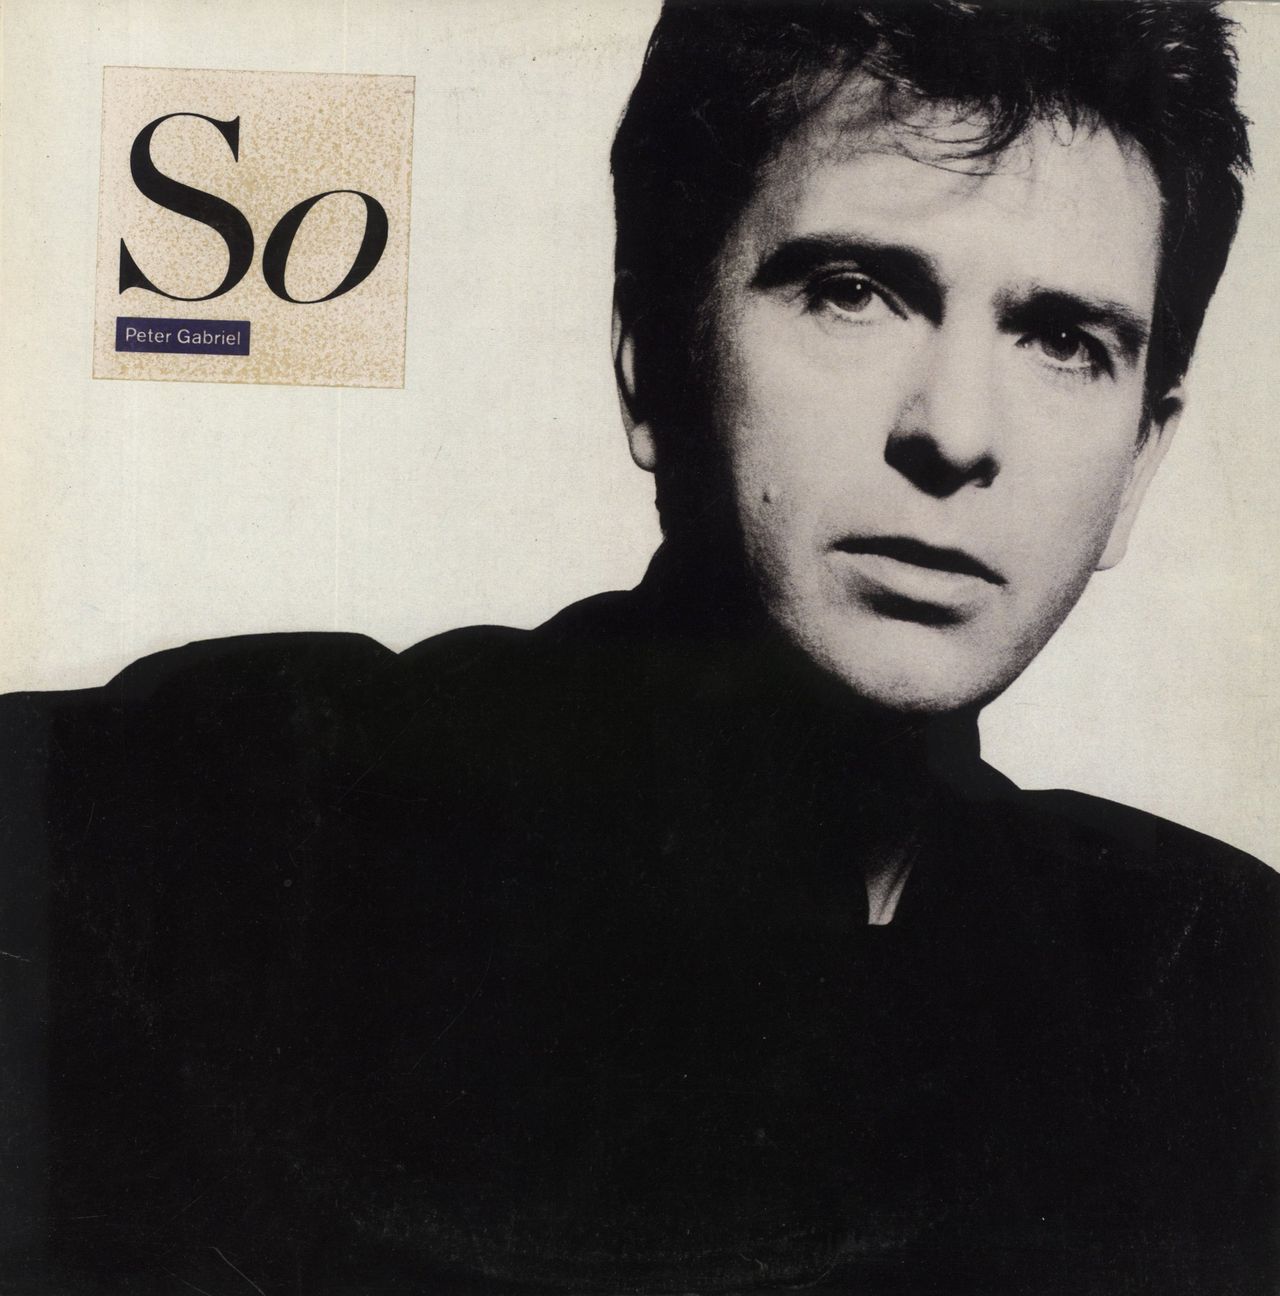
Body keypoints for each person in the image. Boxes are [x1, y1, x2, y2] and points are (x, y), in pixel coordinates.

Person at [1, 2, 1275, 1293]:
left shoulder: (1212, 986)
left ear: (1140, 463)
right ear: (652, 359)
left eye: (1062, 341)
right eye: (852, 292)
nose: (953, 433)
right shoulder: (228, 816)